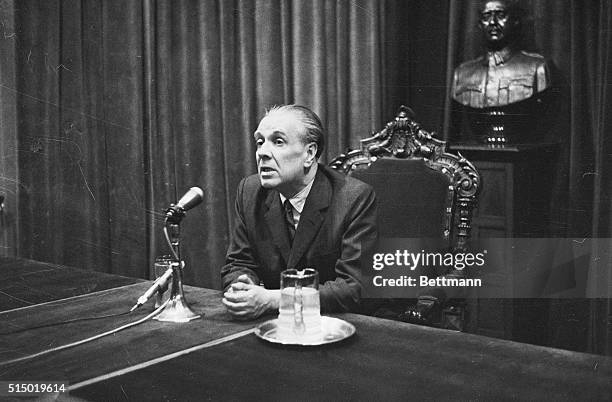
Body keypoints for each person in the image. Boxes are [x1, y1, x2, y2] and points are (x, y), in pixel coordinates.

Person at [221, 104, 377, 320]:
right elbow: (238, 263)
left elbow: (355, 286)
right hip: (274, 326)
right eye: (259, 142)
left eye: (278, 141)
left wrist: (274, 299)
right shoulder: (249, 192)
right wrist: (242, 285)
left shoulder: (354, 198)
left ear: (309, 153)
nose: (262, 153)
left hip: (338, 325)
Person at [451, 0, 552, 143]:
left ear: (515, 21)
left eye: (500, 15)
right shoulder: (462, 73)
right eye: (486, 16)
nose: (493, 22)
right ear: (480, 24)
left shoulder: (537, 68)